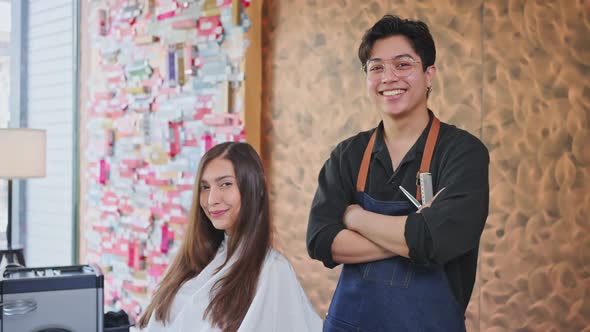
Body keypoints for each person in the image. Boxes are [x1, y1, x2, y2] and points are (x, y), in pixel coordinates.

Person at [306, 14, 489, 331]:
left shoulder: (462, 152)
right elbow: (321, 240)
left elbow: (439, 240)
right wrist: (414, 236)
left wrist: (355, 219)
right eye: (376, 67)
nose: (388, 77)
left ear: (429, 74)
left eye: (403, 65)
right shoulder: (348, 155)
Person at [139, 142, 322, 332]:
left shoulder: (272, 270)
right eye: (205, 187)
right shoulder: (192, 261)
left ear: (255, 188)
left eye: (225, 184)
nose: (212, 200)